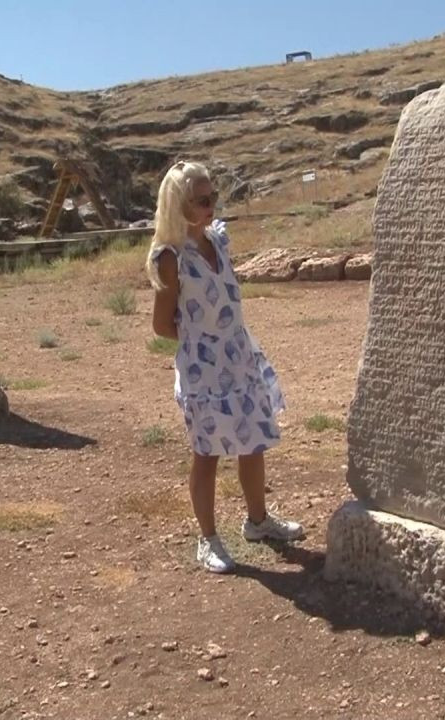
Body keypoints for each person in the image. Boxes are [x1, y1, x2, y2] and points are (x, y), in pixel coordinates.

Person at [147, 161, 304, 574]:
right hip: (204, 369)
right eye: (202, 199)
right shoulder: (170, 258)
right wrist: (202, 344)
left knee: (253, 441)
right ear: (180, 205)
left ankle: (258, 521)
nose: (211, 205)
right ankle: (209, 539)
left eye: (213, 196)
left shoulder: (218, 239)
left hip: (240, 358)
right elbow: (162, 325)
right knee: (208, 454)